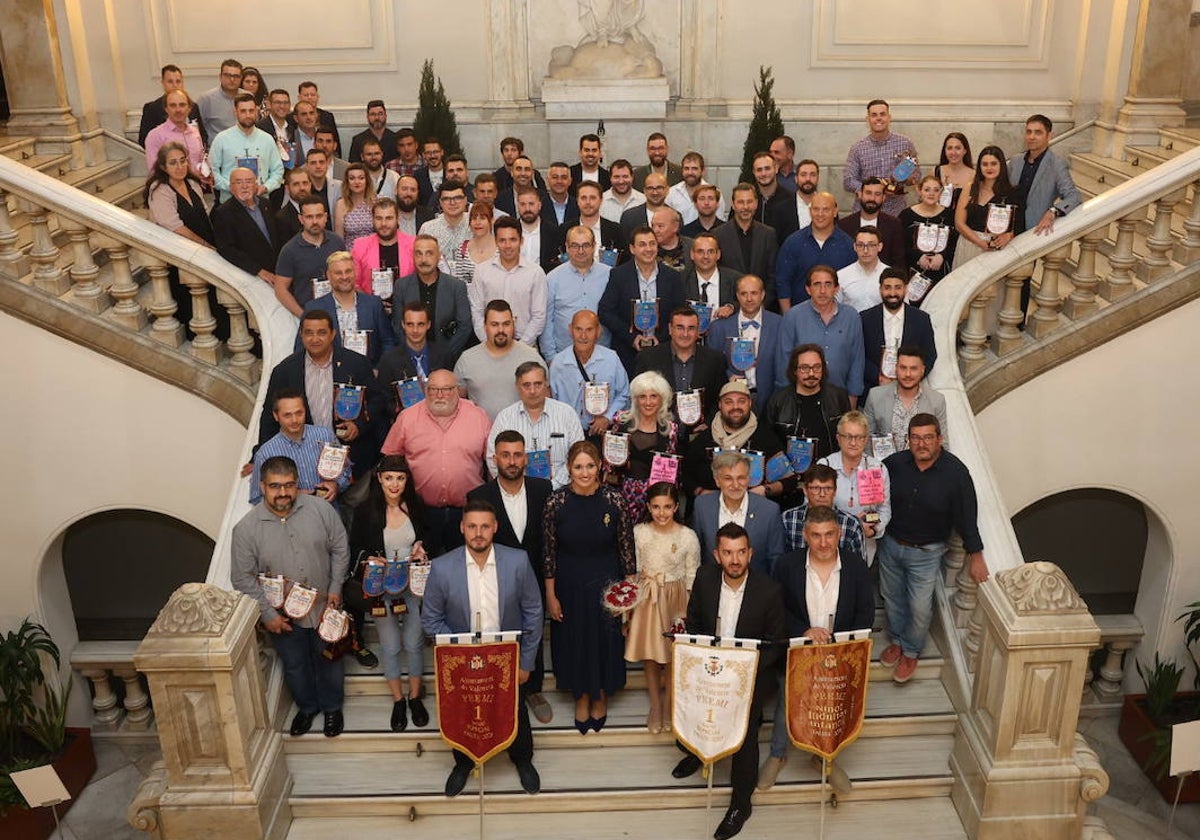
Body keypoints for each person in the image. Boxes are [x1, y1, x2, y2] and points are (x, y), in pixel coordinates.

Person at [671, 521, 786, 840]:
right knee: (693, 710)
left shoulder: (769, 589)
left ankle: (740, 804)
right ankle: (697, 753)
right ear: (716, 554)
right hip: (708, 672)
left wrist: (743, 674)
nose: (735, 560)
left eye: (740, 553)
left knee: (745, 736)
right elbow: (693, 623)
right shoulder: (705, 579)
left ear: (750, 553)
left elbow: (777, 644)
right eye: (727, 553)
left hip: (747, 680)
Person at [422, 499, 544, 796]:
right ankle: (463, 763)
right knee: (463, 714)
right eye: (472, 526)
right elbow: (431, 619)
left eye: (485, 526)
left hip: (505, 656)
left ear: (495, 528)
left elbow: (534, 611)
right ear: (462, 528)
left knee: (514, 710)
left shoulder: (517, 560)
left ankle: (522, 759)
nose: (479, 533)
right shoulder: (441, 568)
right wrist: (459, 650)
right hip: (462, 661)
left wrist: (526, 662)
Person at [231, 455, 349, 738]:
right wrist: (268, 615)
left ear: (297, 484)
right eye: (275, 486)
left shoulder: (322, 510)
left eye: (289, 485)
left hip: (324, 608)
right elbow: (242, 577)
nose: (283, 492)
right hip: (281, 616)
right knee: (295, 666)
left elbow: (341, 548)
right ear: (262, 486)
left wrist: (335, 588)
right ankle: (307, 708)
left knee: (329, 661)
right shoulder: (246, 530)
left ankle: (333, 708)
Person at [759, 505, 873, 795]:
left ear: (839, 533)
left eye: (830, 534)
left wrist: (844, 646)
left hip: (841, 656)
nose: (824, 542)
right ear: (805, 535)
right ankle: (777, 754)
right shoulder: (787, 565)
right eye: (816, 535)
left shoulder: (856, 566)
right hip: (799, 652)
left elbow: (866, 612)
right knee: (788, 700)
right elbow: (777, 609)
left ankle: (826, 759)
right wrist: (803, 631)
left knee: (833, 709)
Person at [879, 413, 988, 684]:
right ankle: (897, 640)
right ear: (908, 440)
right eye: (915, 437)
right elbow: (872, 491)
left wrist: (976, 556)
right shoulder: (893, 464)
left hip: (926, 554)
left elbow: (967, 517)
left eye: (928, 437)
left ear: (939, 439)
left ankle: (912, 650)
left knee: (919, 607)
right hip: (891, 545)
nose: (922, 443)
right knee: (891, 598)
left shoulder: (956, 473)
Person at [544, 441, 636, 733]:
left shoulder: (615, 500)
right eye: (578, 466)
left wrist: (628, 600)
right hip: (569, 584)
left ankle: (600, 695)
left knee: (603, 642)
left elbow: (627, 552)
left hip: (607, 584)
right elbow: (548, 553)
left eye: (590, 466)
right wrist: (551, 594)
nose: (585, 472)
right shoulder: (555, 503)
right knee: (574, 641)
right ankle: (581, 695)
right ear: (569, 469)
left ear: (600, 467)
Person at [467, 432, 556, 724]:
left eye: (518, 455)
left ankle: (533, 689)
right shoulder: (479, 496)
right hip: (493, 577)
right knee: (498, 630)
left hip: (536, 575)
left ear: (526, 459)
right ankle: (497, 685)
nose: (512, 461)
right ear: (495, 459)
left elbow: (550, 538)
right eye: (505, 455)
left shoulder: (544, 489)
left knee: (533, 629)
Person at [348, 455, 430, 732]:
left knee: (414, 642)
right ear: (379, 480)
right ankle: (398, 700)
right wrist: (371, 560)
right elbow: (355, 550)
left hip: (413, 586)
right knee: (392, 645)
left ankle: (416, 697)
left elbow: (431, 539)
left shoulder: (417, 508)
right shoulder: (364, 511)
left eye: (400, 478)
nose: (394, 484)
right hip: (382, 588)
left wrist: (421, 549)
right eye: (389, 478)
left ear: (407, 480)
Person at [259, 309, 387, 480]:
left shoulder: (357, 364)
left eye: (321, 333)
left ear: (333, 334)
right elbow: (270, 415)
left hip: (352, 457)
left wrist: (358, 424)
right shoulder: (285, 371)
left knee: (352, 503)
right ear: (301, 335)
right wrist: (258, 456)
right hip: (304, 461)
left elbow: (377, 400)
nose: (315, 339)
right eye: (309, 333)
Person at [381, 368, 490, 556]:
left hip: (468, 511)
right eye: (433, 389)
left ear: (457, 390)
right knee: (423, 572)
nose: (440, 395)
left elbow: (491, 463)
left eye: (446, 389)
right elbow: (390, 461)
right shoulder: (407, 418)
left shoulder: (478, 416)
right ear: (425, 389)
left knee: (465, 572)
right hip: (421, 513)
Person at [625, 482, 699, 734]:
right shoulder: (640, 533)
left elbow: (691, 576)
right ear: (648, 506)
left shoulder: (687, 536)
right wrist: (628, 610)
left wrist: (688, 612)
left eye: (667, 507)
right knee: (651, 653)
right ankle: (655, 705)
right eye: (656, 507)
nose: (662, 513)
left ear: (676, 506)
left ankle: (669, 705)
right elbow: (632, 572)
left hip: (675, 598)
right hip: (647, 597)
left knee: (671, 654)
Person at [684, 380, 794, 503]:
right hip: (712, 511)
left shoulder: (765, 437)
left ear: (750, 403)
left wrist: (766, 490)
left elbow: (789, 479)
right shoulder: (704, 439)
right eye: (728, 402)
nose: (735, 407)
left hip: (755, 511)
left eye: (741, 401)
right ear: (720, 405)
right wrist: (702, 492)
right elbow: (685, 476)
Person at [599, 226, 685, 374]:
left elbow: (679, 312)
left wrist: (660, 337)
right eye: (642, 244)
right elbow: (605, 311)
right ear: (632, 249)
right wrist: (631, 337)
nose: (648, 249)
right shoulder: (618, 275)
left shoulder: (673, 277)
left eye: (652, 243)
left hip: (664, 350)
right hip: (627, 351)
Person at [775, 266, 866, 404]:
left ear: (836, 289)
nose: (822, 291)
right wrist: (787, 400)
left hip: (840, 398)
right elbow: (784, 361)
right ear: (808, 289)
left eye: (828, 284)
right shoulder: (793, 316)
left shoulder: (851, 316)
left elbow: (857, 361)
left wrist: (852, 398)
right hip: (800, 398)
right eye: (817, 284)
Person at [488, 362, 584, 491]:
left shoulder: (567, 414)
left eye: (538, 384)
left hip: (562, 491)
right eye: (526, 385)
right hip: (517, 494)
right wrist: (514, 487)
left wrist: (553, 486)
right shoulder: (505, 418)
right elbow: (492, 457)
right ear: (517, 387)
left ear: (546, 384)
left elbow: (578, 455)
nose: (532, 391)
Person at [634, 306, 727, 433]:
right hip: (658, 435)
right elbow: (637, 397)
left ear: (698, 331)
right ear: (670, 329)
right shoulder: (648, 358)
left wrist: (709, 423)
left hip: (700, 436)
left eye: (691, 328)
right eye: (679, 327)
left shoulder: (715, 360)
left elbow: (722, 398)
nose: (685, 334)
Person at [249, 388, 350, 505]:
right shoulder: (265, 454)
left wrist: (336, 485)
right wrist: (289, 497)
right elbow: (256, 498)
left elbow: (346, 469)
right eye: (287, 415)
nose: (294, 420)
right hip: (291, 520)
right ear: (276, 416)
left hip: (329, 514)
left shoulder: (325, 435)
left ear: (305, 411)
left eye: (299, 413)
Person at [691, 451, 785, 575]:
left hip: (755, 590)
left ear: (749, 479)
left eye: (741, 478)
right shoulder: (702, 505)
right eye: (728, 478)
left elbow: (776, 560)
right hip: (712, 588)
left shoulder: (769, 511)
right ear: (717, 481)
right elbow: (696, 553)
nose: (735, 485)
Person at [817, 411, 891, 565]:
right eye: (848, 436)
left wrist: (874, 530)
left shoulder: (878, 469)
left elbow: (884, 510)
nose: (853, 442)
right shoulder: (824, 466)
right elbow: (812, 510)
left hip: (864, 549)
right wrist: (852, 527)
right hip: (827, 546)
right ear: (838, 438)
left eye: (859, 437)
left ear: (866, 440)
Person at [607, 370, 682, 522]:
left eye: (653, 396)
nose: (648, 402)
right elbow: (608, 463)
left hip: (654, 503)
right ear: (635, 399)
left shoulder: (670, 430)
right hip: (620, 496)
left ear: (662, 399)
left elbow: (673, 474)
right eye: (642, 396)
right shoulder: (620, 422)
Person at [302, 251, 396, 367]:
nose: (344, 277)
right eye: (338, 273)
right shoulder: (314, 308)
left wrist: (379, 370)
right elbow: (302, 348)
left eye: (348, 271)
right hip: (329, 376)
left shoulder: (373, 304)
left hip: (368, 373)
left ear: (355, 272)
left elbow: (388, 341)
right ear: (328, 275)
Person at [706, 274, 782, 414]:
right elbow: (712, 368)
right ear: (737, 296)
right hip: (732, 403)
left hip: (770, 402)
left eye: (754, 293)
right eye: (744, 294)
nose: (749, 299)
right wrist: (728, 375)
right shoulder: (719, 327)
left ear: (763, 294)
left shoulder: (779, 324)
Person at [455, 300, 544, 420]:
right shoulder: (467, 359)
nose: (501, 330)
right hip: (482, 434)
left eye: (506, 324)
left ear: (514, 325)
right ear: (485, 326)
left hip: (522, 433)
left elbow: (545, 401)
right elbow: (457, 404)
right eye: (494, 324)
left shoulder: (532, 357)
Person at [392, 235, 473, 366]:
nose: (423, 260)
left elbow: (465, 326)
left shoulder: (456, 286)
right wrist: (413, 354)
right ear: (413, 256)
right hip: (411, 361)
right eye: (418, 254)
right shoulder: (401, 286)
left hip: (449, 360)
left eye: (429, 253)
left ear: (439, 256)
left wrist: (445, 356)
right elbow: (398, 327)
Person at [548, 309, 631, 437]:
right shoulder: (559, 363)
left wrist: (607, 418)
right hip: (568, 432)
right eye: (578, 329)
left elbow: (625, 394)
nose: (583, 336)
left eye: (589, 330)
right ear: (570, 330)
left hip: (602, 432)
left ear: (598, 332)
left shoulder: (611, 359)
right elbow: (551, 401)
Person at [764, 344, 852, 463]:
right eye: (804, 368)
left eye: (816, 367)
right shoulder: (777, 401)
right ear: (795, 370)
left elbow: (849, 436)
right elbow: (768, 443)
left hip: (830, 472)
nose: (811, 373)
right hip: (792, 474)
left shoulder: (838, 397)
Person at [468, 217, 548, 345]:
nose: (508, 246)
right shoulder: (482, 271)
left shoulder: (535, 273)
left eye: (513, 240)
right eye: (502, 240)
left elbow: (539, 316)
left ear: (521, 241)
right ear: (496, 242)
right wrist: (488, 343)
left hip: (525, 346)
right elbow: (476, 312)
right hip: (490, 345)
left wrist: (521, 347)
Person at [860, 268, 937, 395]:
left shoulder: (921, 319)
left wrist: (908, 378)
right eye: (887, 287)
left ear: (905, 289)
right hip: (874, 390)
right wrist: (879, 378)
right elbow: (859, 356)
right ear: (880, 289)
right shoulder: (865, 319)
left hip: (910, 392)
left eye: (898, 287)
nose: (892, 293)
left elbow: (929, 355)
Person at [541, 225, 613, 359]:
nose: (581, 251)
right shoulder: (552, 278)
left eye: (585, 245)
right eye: (575, 246)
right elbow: (547, 322)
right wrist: (550, 357)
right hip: (563, 356)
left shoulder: (610, 275)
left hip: (603, 356)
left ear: (594, 246)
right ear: (567, 247)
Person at [775, 192, 855, 310]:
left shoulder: (848, 245)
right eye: (816, 209)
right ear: (810, 211)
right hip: (800, 318)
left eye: (826, 209)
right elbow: (783, 283)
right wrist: (788, 318)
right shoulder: (793, 243)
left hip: (838, 318)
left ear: (835, 212)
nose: (820, 214)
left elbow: (852, 286)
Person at [863, 346, 949, 454]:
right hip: (885, 466)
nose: (908, 374)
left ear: (922, 370)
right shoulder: (875, 396)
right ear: (896, 368)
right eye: (903, 368)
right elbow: (865, 440)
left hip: (921, 467)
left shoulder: (936, 401)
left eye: (913, 368)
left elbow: (942, 444)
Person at [843, 98, 921, 218]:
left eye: (882, 114)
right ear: (868, 119)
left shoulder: (905, 143)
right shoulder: (857, 148)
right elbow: (848, 180)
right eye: (874, 115)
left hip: (896, 212)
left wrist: (898, 183)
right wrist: (872, 191)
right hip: (865, 212)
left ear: (889, 117)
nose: (878, 118)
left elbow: (916, 175)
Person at [274, 196, 347, 316]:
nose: (314, 221)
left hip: (340, 311)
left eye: (318, 216)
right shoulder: (289, 250)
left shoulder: (336, 242)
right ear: (301, 219)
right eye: (309, 217)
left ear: (325, 217)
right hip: (309, 314)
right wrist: (303, 315)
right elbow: (280, 289)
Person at [1010, 114, 1081, 236]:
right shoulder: (1015, 161)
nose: (1031, 137)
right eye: (1028, 132)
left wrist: (1053, 211)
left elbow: (1074, 196)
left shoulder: (1057, 165)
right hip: (1008, 228)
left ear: (1049, 136)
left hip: (1032, 230)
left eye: (1038, 132)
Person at [953, 144, 1022, 269]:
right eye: (984, 164)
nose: (989, 168)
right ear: (979, 167)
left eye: (993, 164)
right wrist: (980, 242)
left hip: (996, 248)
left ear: (1001, 165)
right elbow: (959, 223)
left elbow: (1017, 223)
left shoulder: (1011, 192)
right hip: (969, 244)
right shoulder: (970, 187)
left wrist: (1008, 235)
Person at [376, 301, 448, 419]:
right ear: (403, 325)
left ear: (428, 325)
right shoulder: (389, 360)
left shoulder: (443, 355)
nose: (415, 330)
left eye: (420, 324)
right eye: (410, 324)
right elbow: (384, 400)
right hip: (406, 424)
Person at [212, 166, 282, 287]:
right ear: (231, 188)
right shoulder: (223, 213)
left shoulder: (266, 204)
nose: (244, 186)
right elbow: (227, 249)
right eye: (238, 182)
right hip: (251, 276)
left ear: (255, 185)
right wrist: (258, 271)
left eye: (249, 181)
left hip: (277, 270)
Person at [209, 93, 284, 204]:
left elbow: (278, 170)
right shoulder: (222, 139)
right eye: (243, 111)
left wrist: (265, 187)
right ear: (235, 112)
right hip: (230, 202)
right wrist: (231, 187)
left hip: (261, 201)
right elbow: (212, 171)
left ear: (256, 111)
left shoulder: (267, 139)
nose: (248, 115)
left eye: (251, 111)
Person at [715, 184, 779, 309]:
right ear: (733, 205)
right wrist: (731, 306)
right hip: (729, 309)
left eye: (749, 202)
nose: (745, 207)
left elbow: (773, 274)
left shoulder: (768, 234)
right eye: (740, 202)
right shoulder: (718, 235)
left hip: (762, 307)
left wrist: (763, 303)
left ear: (756, 203)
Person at [779, 464, 867, 555]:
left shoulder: (851, 524)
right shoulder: (788, 519)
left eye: (828, 488)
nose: (822, 494)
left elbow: (859, 566)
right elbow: (780, 561)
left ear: (835, 491)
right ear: (805, 490)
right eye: (816, 488)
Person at [145, 141, 213, 249]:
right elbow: (176, 228)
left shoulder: (192, 183)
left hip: (206, 242)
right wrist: (206, 246)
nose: (179, 167)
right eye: (173, 163)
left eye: (183, 161)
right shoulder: (160, 190)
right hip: (183, 250)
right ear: (163, 167)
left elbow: (205, 216)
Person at [898, 175, 958, 296]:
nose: (931, 193)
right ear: (919, 191)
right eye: (927, 189)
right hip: (913, 271)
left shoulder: (949, 215)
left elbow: (954, 243)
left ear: (941, 192)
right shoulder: (906, 215)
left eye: (936, 190)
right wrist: (918, 257)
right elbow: (900, 244)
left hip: (941, 271)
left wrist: (942, 256)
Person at [351, 197, 416, 301]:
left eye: (389, 218)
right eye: (379, 218)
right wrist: (372, 304)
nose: (384, 224)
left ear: (397, 218)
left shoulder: (413, 245)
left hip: (406, 308)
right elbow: (354, 283)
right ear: (372, 219)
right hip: (372, 310)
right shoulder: (360, 246)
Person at [836, 178, 906, 270]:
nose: (872, 198)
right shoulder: (844, 225)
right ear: (860, 195)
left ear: (883, 198)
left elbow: (899, 261)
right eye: (868, 193)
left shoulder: (894, 225)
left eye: (877, 194)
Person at [144, 90, 208, 184]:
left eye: (182, 105)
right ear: (166, 108)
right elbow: (154, 172)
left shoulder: (195, 132)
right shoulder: (155, 136)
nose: (178, 110)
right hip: (169, 191)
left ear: (189, 108)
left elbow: (200, 161)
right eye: (173, 105)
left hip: (196, 188)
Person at [137, 63, 206, 149]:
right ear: (163, 83)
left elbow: (202, 135)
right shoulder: (152, 109)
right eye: (170, 81)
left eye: (178, 81)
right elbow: (144, 140)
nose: (175, 85)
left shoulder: (193, 106)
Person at [681, 232, 739, 319]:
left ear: (718, 254)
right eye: (700, 251)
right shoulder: (680, 280)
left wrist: (732, 307)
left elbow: (749, 304)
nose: (705, 256)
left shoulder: (736, 280)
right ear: (692, 255)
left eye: (710, 251)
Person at [420, 181, 473, 275]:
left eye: (457, 198)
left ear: (465, 200)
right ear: (440, 202)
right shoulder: (428, 229)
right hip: (439, 284)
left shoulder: (475, 225)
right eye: (446, 199)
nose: (452, 203)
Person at [566, 181, 626, 261]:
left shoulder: (615, 230)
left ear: (601, 200)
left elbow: (624, 261)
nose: (588, 202)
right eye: (583, 198)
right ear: (577, 201)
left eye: (593, 198)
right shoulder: (565, 230)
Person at [666, 152, 728, 226]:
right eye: (686, 168)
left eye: (694, 169)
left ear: (702, 171)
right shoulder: (671, 193)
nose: (690, 172)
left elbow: (719, 223)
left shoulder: (715, 193)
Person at [769, 159, 821, 246]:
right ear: (796, 179)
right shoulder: (782, 208)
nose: (808, 179)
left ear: (818, 178)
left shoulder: (828, 206)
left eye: (812, 175)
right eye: (803, 175)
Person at [837, 227, 887, 313]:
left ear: (880, 246)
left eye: (871, 245)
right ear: (854, 247)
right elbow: (833, 309)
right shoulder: (841, 276)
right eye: (860, 245)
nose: (865, 250)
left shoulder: (891, 275)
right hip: (851, 325)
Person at [515, 187, 562, 275]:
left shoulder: (552, 231)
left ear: (539, 205)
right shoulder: (510, 230)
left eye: (531, 204)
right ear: (518, 206)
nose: (527, 209)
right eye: (523, 204)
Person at [452, 200, 497, 286]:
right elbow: (459, 283)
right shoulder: (462, 249)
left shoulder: (501, 248)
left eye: (483, 218)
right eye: (474, 218)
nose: (478, 222)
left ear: (491, 221)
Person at [195, 58, 245, 137]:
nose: (232, 79)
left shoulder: (247, 97)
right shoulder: (206, 99)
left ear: (241, 78)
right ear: (220, 76)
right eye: (228, 75)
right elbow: (196, 127)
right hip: (217, 147)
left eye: (236, 76)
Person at [333, 163, 377, 252]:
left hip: (374, 252)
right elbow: (339, 238)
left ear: (367, 181)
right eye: (352, 178)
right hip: (350, 254)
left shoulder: (377, 201)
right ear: (347, 182)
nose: (357, 182)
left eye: (361, 178)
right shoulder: (341, 204)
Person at [297, 81, 342, 158]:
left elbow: (335, 145)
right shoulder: (290, 118)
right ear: (299, 97)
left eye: (313, 95)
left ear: (318, 97)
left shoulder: (327, 117)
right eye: (306, 95)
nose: (309, 97)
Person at [750, 151, 796, 226]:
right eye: (759, 170)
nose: (763, 173)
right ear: (754, 172)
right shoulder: (746, 199)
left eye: (767, 168)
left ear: (776, 169)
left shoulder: (790, 199)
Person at [620, 172, 670, 240]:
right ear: (644, 191)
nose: (655, 192)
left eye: (659, 188)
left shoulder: (675, 217)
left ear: (667, 190)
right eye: (650, 188)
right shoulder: (629, 217)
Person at [933, 132, 975, 212]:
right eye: (949, 148)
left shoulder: (974, 175)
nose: (953, 152)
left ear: (965, 151)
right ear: (944, 151)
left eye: (958, 148)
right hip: (940, 221)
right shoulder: (936, 171)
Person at [349, 100, 398, 165]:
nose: (377, 118)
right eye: (373, 114)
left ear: (385, 116)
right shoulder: (358, 140)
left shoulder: (395, 138)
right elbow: (354, 166)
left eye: (380, 114)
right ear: (367, 117)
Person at [273, 167, 312, 242]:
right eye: (296, 184)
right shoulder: (282, 218)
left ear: (310, 185)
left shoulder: (320, 208)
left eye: (305, 183)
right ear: (287, 188)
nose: (302, 188)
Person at [601, 158, 644, 224]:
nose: (621, 181)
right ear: (610, 178)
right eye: (616, 177)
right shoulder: (601, 201)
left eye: (625, 176)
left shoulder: (643, 200)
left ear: (632, 177)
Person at [651, 206, 692, 273]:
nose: (655, 230)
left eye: (660, 226)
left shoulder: (692, 246)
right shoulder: (648, 249)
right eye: (653, 226)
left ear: (675, 227)